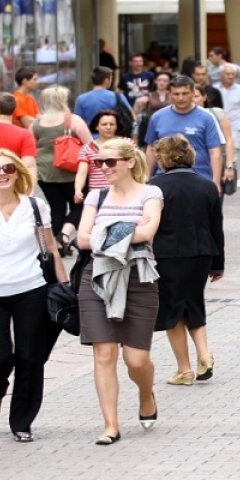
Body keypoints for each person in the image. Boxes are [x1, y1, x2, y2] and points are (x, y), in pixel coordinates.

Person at [76, 138, 163, 445]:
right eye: (99, 162)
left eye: (109, 162)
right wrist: (128, 227)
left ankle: (145, 395)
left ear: (129, 162)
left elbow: (148, 232)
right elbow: (82, 240)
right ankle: (111, 425)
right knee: (104, 353)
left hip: (139, 278)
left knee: (136, 360)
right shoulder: (96, 196)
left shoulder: (151, 192)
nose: (103, 168)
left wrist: (106, 230)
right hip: (97, 277)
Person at [0, 149, 67, 442]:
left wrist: (65, 288)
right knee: (1, 358)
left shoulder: (35, 207)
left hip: (31, 288)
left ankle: (22, 422)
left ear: (17, 172)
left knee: (30, 357)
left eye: (7, 168)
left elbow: (50, 248)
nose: (2, 174)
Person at [149, 135, 224, 385]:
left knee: (172, 311)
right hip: (201, 254)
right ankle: (204, 354)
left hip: (167, 255)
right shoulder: (206, 185)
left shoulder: (155, 186)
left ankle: (184, 369)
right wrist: (218, 262)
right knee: (194, 304)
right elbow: (216, 227)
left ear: (163, 158)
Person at [31, 85, 93, 257]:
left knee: (56, 209)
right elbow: (89, 144)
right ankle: (64, 235)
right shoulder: (73, 120)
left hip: (45, 173)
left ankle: (53, 247)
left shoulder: (36, 123)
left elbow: (31, 146)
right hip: (72, 171)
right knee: (81, 205)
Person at [144, 75, 225, 193]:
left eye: (185, 93)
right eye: (176, 94)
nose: (180, 98)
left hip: (199, 178)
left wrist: (216, 182)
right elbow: (151, 149)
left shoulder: (206, 118)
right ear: (169, 94)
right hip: (164, 179)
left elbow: (215, 152)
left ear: (193, 93)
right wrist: (147, 178)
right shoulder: (157, 117)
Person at [191, 85, 235, 195]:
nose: (193, 100)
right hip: (194, 165)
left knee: (215, 199)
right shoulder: (184, 116)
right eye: (190, 97)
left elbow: (228, 139)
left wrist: (229, 166)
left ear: (204, 97)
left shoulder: (216, 113)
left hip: (216, 162)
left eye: (196, 96)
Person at [74, 110, 122, 204]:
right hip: (98, 195)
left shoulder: (127, 144)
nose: (108, 127)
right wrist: (78, 190)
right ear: (97, 126)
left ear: (116, 126)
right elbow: (82, 172)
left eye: (112, 124)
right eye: (104, 124)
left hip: (123, 192)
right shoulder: (87, 148)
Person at [217, 64, 240, 165]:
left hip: (235, 127)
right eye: (227, 74)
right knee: (219, 156)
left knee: (232, 156)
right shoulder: (215, 89)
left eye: (233, 74)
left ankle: (230, 176)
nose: (230, 76)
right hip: (217, 127)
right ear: (221, 75)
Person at [0, 93, 37, 180]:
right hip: (12, 183)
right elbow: (29, 165)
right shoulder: (25, 134)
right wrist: (29, 190)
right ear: (15, 109)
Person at [132, 71, 172, 144]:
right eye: (159, 80)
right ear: (155, 81)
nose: (162, 83)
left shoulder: (173, 95)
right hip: (151, 126)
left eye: (165, 81)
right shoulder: (148, 95)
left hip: (169, 126)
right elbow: (135, 115)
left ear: (169, 82)